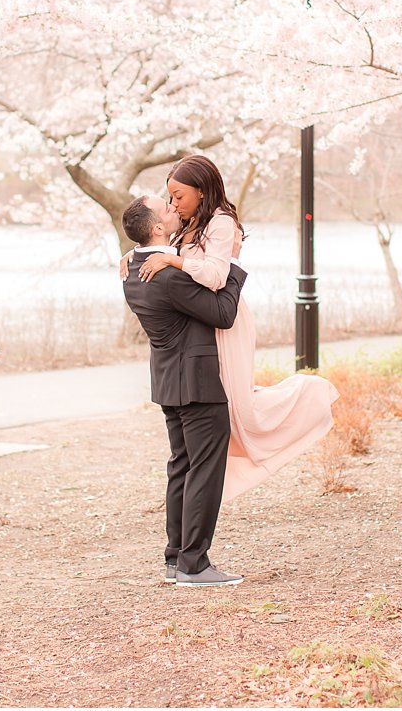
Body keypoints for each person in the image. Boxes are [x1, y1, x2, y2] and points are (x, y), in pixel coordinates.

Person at [135, 155, 338, 501]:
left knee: (238, 405)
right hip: (199, 328)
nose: (173, 204)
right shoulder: (187, 222)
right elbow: (164, 255)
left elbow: (215, 276)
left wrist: (173, 258)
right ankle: (204, 486)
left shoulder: (222, 223)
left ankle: (308, 397)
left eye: (178, 196)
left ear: (201, 191)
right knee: (218, 412)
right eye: (169, 197)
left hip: (225, 321)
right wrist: (137, 253)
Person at [120, 194, 248, 587]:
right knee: (205, 470)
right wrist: (234, 263)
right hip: (197, 383)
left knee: (182, 467)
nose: (175, 208)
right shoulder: (170, 275)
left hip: (169, 382)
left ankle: (176, 558)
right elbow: (224, 314)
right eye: (168, 208)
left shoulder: (132, 268)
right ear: (157, 228)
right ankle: (195, 563)